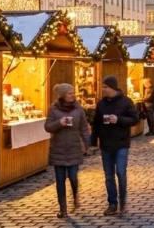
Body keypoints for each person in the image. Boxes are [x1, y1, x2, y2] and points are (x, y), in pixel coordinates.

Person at [91, 76, 140, 215]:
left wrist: (118, 119)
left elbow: (134, 119)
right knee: (108, 176)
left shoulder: (126, 102)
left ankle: (123, 200)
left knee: (120, 172)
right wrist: (92, 142)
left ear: (112, 87)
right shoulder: (101, 104)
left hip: (121, 143)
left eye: (105, 87)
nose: (103, 89)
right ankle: (112, 203)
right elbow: (96, 123)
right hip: (106, 144)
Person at [44, 83, 90, 218]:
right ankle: (62, 208)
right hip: (58, 147)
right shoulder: (53, 109)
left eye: (73, 93)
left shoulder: (78, 108)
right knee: (60, 179)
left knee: (73, 177)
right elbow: (47, 127)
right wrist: (59, 123)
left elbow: (83, 127)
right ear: (63, 95)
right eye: (70, 93)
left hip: (74, 147)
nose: (72, 95)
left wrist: (87, 143)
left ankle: (75, 195)